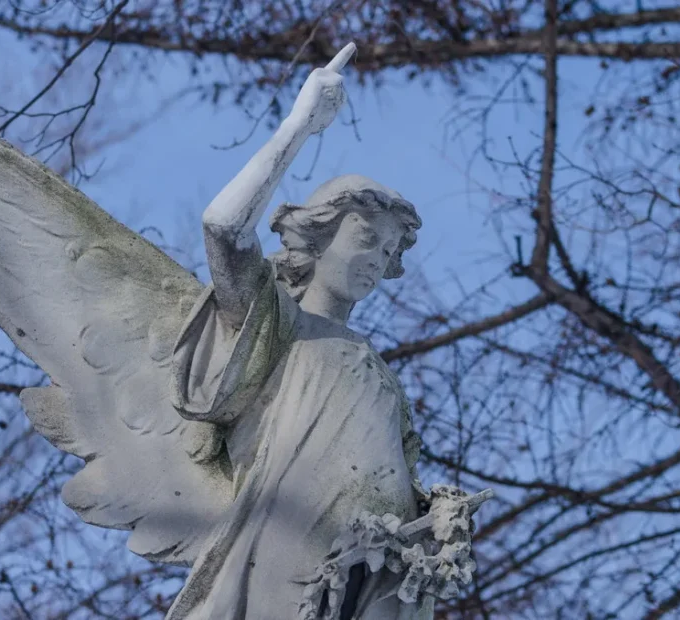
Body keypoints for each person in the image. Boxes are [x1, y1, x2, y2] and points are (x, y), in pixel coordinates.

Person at [167, 44, 432, 619]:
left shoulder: (378, 374)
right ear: (316, 235)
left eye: (387, 251)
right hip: (286, 555)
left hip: (373, 575)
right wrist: (301, 125)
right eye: (365, 238)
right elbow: (223, 225)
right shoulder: (278, 324)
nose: (375, 259)